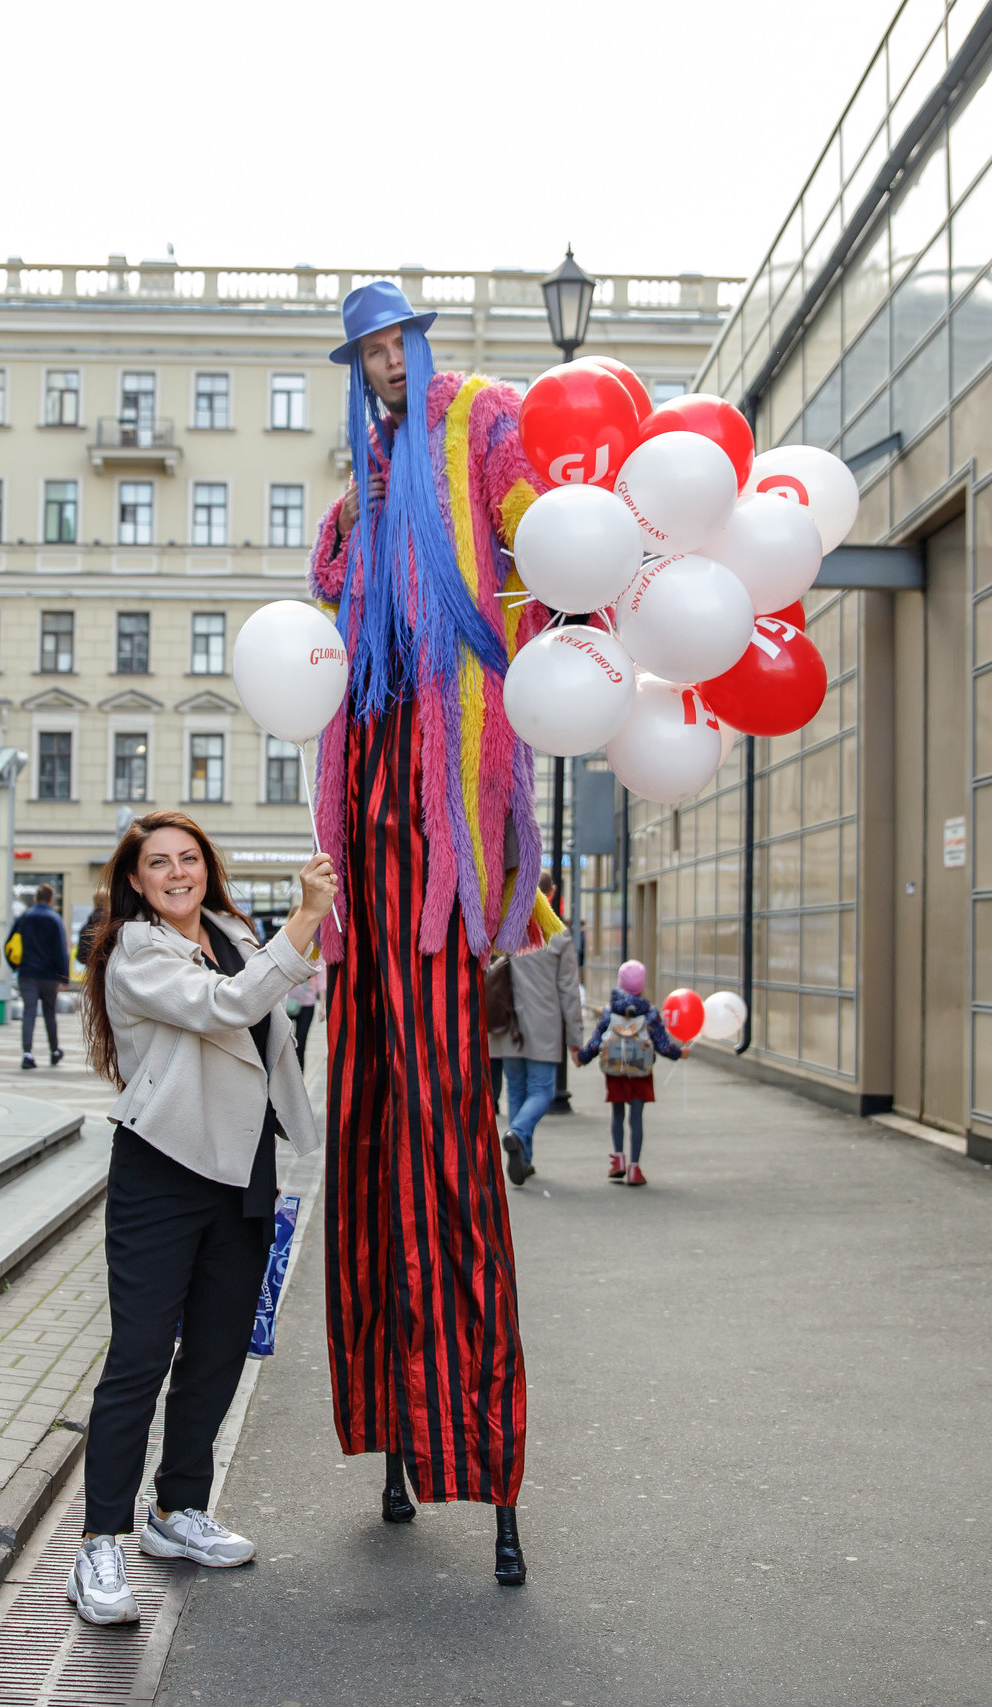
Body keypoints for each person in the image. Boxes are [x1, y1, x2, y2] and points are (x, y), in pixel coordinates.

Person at [308, 282, 556, 1586]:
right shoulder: (365, 479)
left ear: (422, 344)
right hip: (371, 836)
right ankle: (396, 1433)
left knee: (451, 1155)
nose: (385, 365)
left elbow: (542, 543)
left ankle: (483, 1454)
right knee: (367, 1149)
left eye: (395, 342)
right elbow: (328, 621)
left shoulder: (481, 419)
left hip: (448, 832)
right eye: (366, 353)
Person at [67, 810, 332, 1626]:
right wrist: (303, 923)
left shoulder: (231, 930)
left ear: (205, 868)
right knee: (141, 1357)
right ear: (137, 879)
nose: (176, 872)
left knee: (217, 1352)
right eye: (159, 863)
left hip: (242, 1166)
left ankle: (177, 1511)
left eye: (188, 858)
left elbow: (277, 1014)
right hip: (164, 1169)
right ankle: (99, 1542)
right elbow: (226, 1008)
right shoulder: (135, 950)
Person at [487, 872, 581, 1187]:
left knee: (516, 1087)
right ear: (549, 896)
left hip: (507, 1023)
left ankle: (524, 1159)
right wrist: (576, 1039)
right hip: (544, 1024)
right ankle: (518, 1134)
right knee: (542, 1090)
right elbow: (568, 990)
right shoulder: (558, 934)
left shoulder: (503, 929)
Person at [574, 960, 690, 1187]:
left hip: (615, 1069)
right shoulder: (650, 1012)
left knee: (617, 1115)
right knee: (636, 1118)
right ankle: (635, 1169)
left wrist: (582, 1058)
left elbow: (597, 1041)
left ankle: (617, 1161)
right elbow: (663, 1045)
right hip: (641, 1070)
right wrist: (680, 1053)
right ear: (642, 984)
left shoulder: (609, 1011)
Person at [7, 883, 71, 1069]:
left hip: (27, 973)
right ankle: (54, 1051)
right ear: (51, 900)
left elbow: (10, 944)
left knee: (29, 1013)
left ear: (36, 898)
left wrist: (15, 966)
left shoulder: (24, 917)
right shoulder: (54, 919)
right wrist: (64, 976)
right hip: (49, 975)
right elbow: (61, 949)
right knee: (50, 1013)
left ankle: (27, 1053)